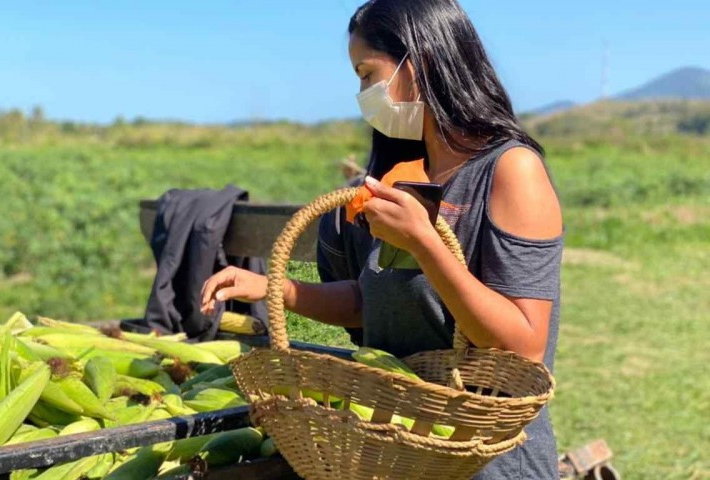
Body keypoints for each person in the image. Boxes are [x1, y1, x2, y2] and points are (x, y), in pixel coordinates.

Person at [200, 0, 564, 477]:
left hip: (484, 461)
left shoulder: (510, 171)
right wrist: (278, 291)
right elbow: (372, 300)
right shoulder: (404, 176)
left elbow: (524, 346)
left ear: (423, 63)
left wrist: (426, 244)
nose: (363, 93)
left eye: (367, 73)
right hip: (399, 452)